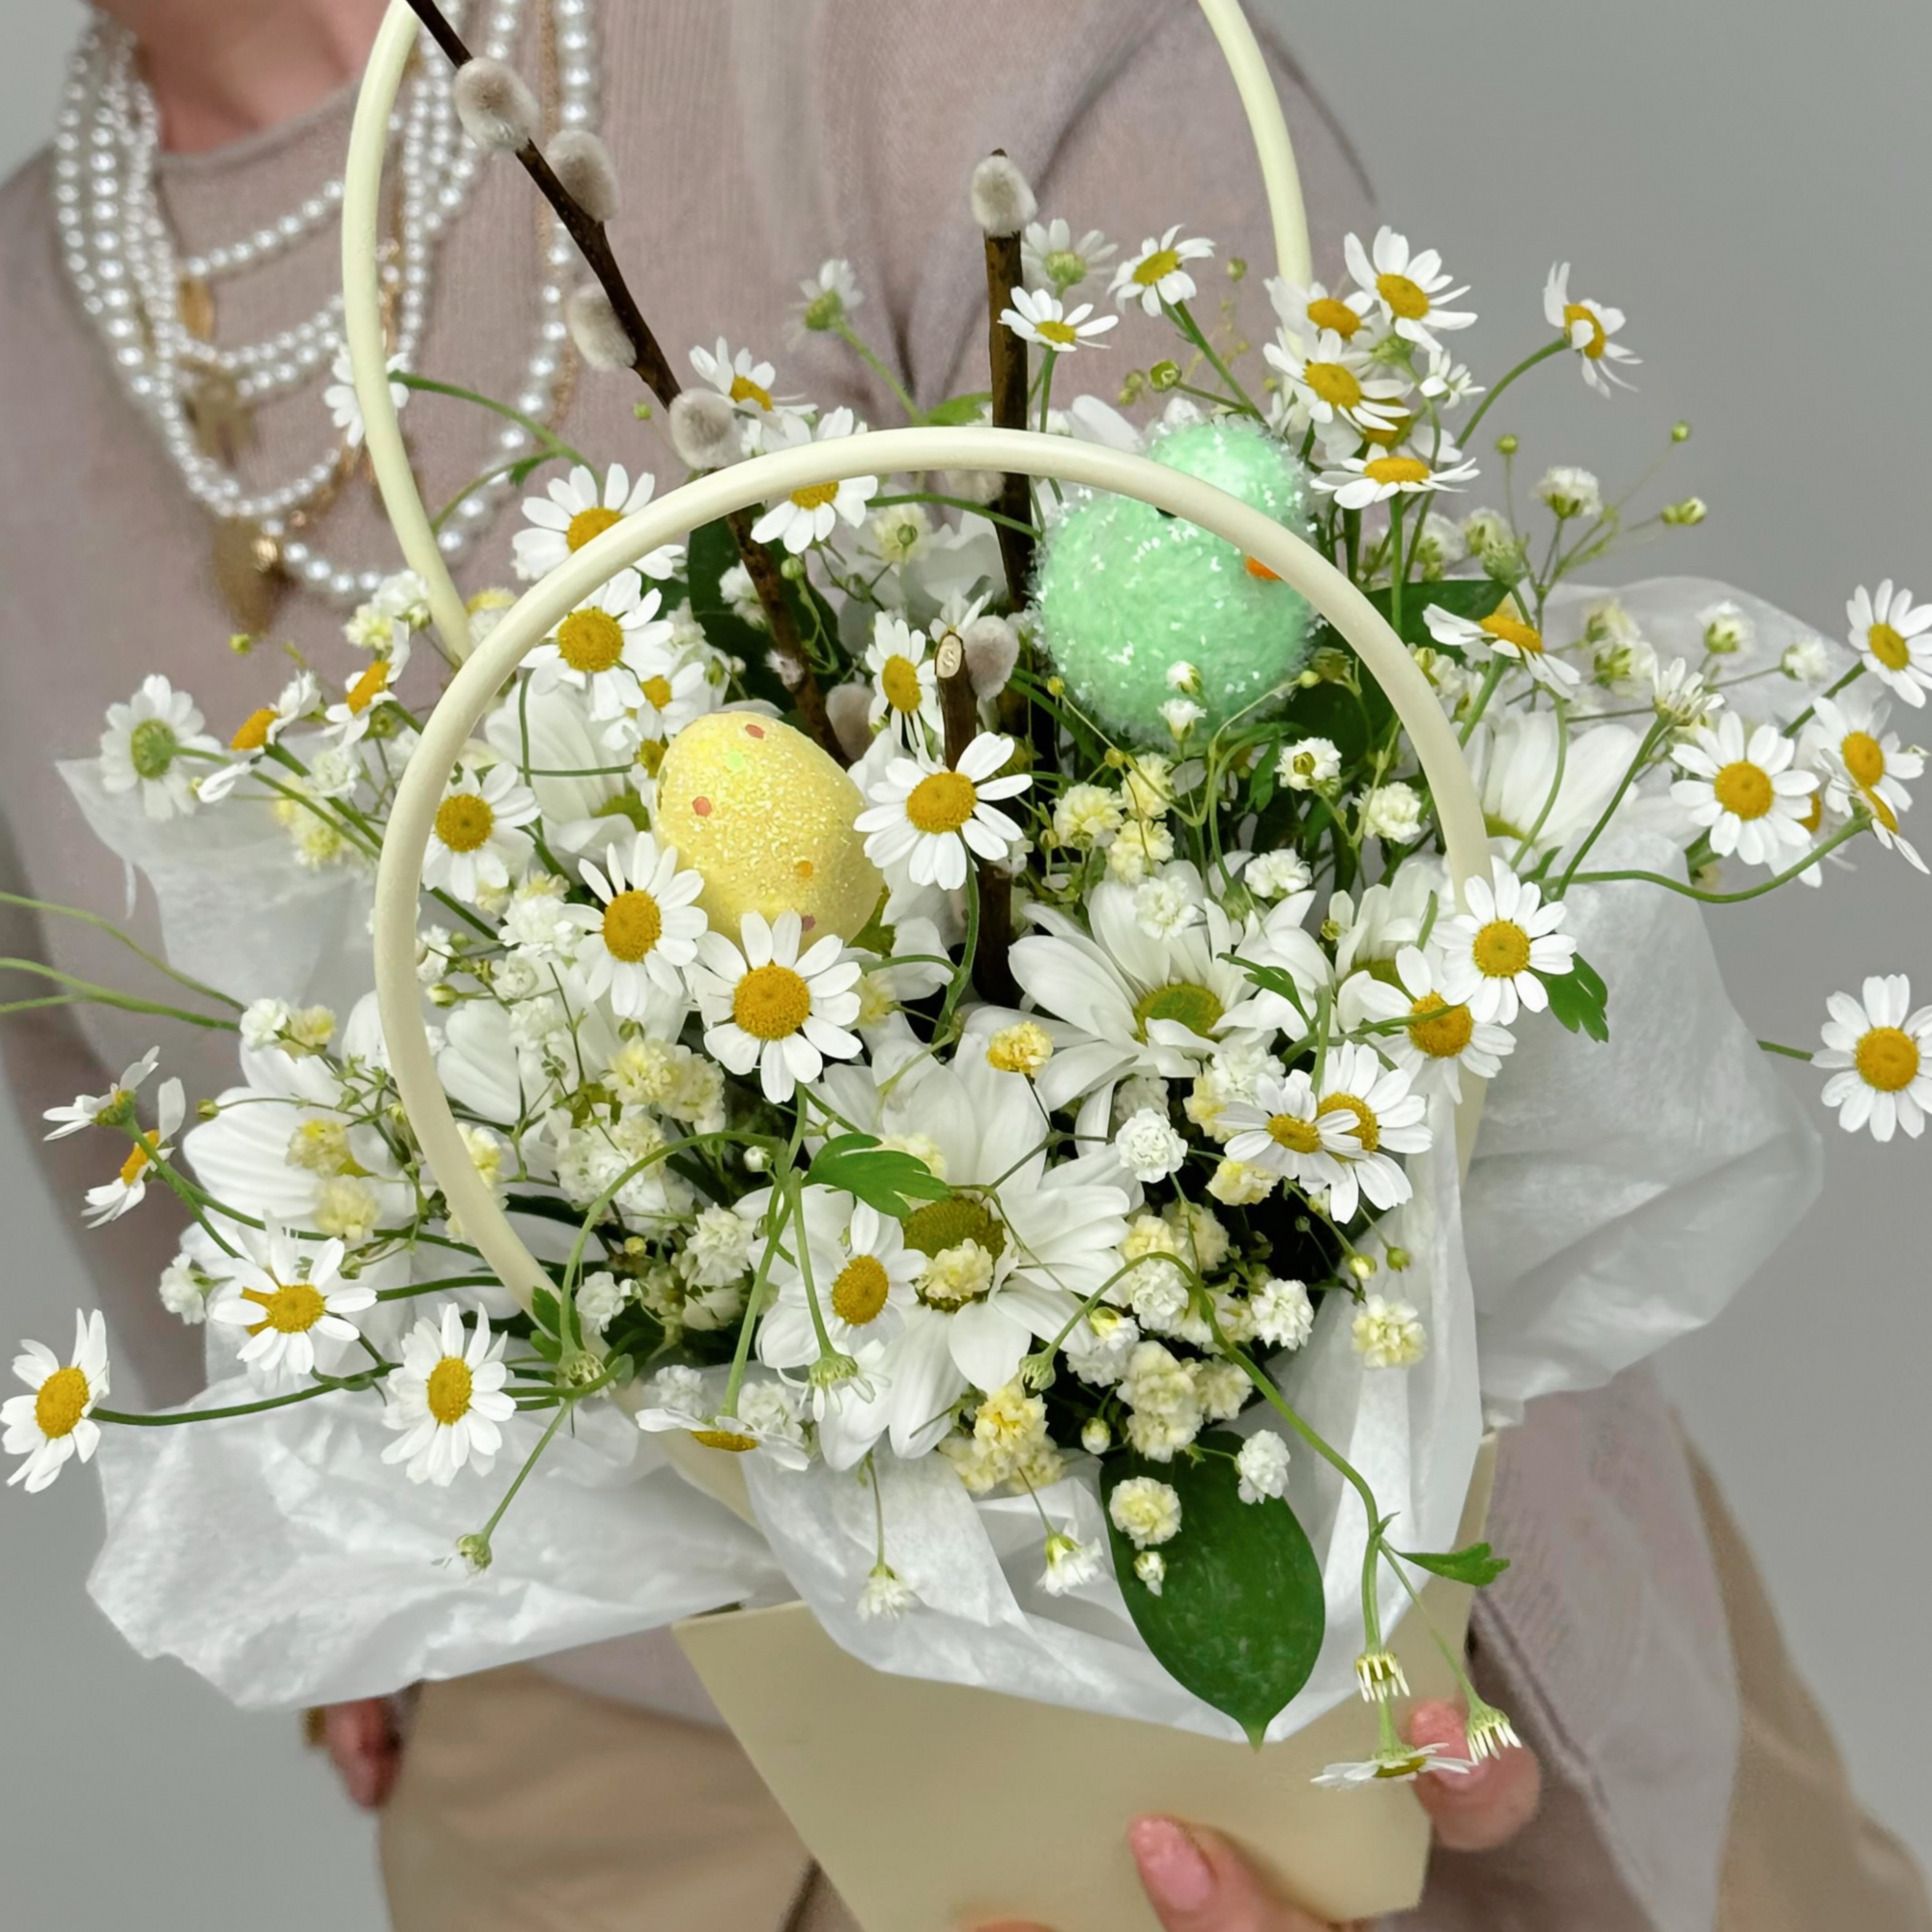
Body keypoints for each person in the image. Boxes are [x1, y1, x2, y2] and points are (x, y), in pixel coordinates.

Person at [0, 5, 1926, 1930]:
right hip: (593, 1765)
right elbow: (84, 1040)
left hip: (1284, 1650)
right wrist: (290, 1485)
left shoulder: (935, 48)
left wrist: (1299, 1698)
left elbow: (1356, 844)